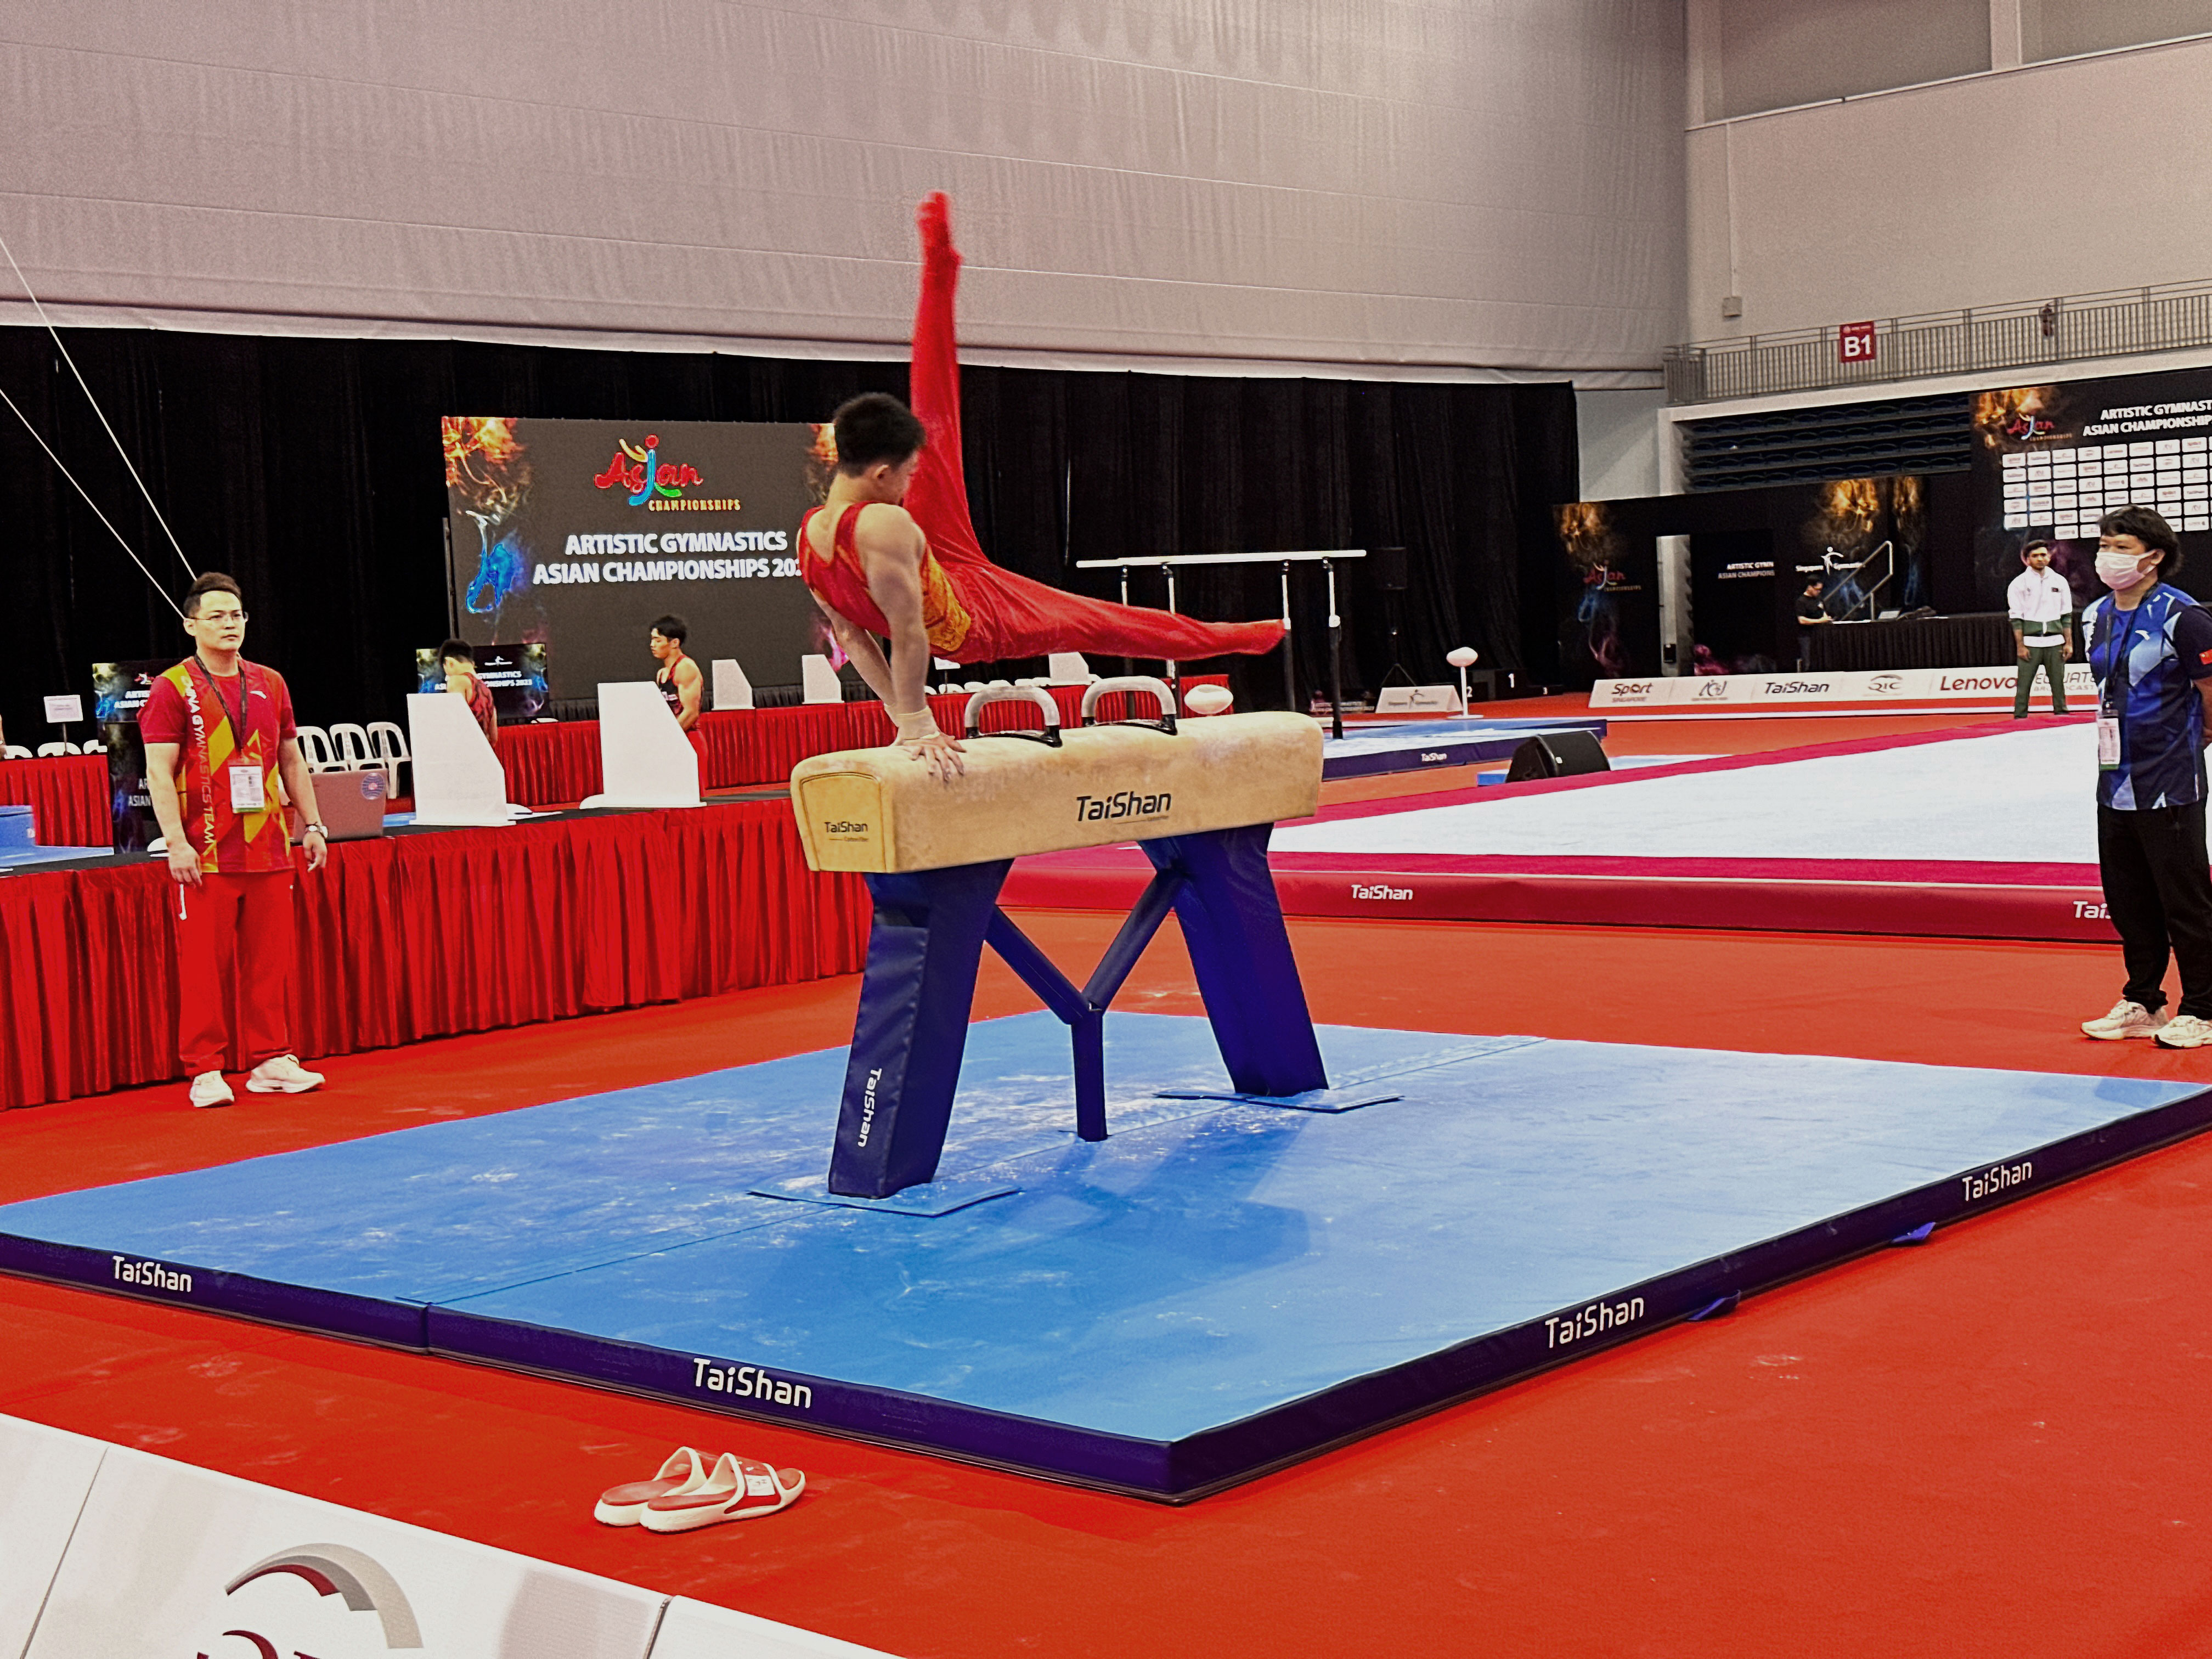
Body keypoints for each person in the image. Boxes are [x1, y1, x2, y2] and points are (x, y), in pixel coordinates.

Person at [799, 194, 1284, 778]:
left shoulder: (809, 537)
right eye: (905, 473)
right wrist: (915, 721)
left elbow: (852, 637)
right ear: (881, 474)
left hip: (946, 571)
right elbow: (904, 635)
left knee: (935, 424)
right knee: (1103, 620)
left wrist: (905, 717)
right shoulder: (886, 522)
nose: (911, 480)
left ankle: (939, 268)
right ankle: (1230, 636)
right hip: (979, 615)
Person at [140, 572, 329, 1108]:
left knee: (269, 964)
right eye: (217, 616)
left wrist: (313, 825)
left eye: (237, 615)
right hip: (205, 853)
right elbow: (158, 771)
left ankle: (271, 1060)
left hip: (268, 846)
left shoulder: (270, 682)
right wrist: (175, 842)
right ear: (191, 625)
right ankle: (205, 1069)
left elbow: (291, 758)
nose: (230, 624)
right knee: (204, 968)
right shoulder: (172, 687)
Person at [2076, 507, 2212, 1049]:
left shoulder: (2184, 616)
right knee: (2129, 898)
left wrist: (2197, 738)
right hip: (2115, 776)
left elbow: (2211, 691)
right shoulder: (2095, 615)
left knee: (2185, 900)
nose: (2107, 555)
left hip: (2170, 778)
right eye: (2103, 545)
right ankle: (2144, 1001)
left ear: (2153, 556)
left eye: (2121, 546)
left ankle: (2203, 1008)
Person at [2007, 540, 2073, 719]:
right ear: (2027, 560)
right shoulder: (2018, 583)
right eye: (2035, 556)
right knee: (2024, 684)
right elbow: (2016, 618)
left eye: (2043, 555)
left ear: (2049, 557)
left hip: (2055, 641)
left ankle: (2062, 713)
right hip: (2030, 642)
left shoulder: (2060, 581)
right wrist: (2021, 646)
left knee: (2058, 683)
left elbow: (2066, 615)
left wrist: (2069, 643)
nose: (2040, 559)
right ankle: (2020, 717)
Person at [650, 614, 703, 732]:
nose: (652, 645)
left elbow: (691, 712)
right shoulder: (661, 674)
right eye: (652, 640)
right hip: (674, 735)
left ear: (675, 643)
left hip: (689, 738)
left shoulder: (685, 667)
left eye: (658, 641)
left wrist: (671, 736)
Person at [439, 637, 498, 741]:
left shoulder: (457, 680)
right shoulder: (487, 691)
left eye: (446, 670)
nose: (448, 675)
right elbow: (494, 738)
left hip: (464, 747)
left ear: (449, 662)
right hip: (483, 749)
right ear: (473, 664)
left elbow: (455, 723)